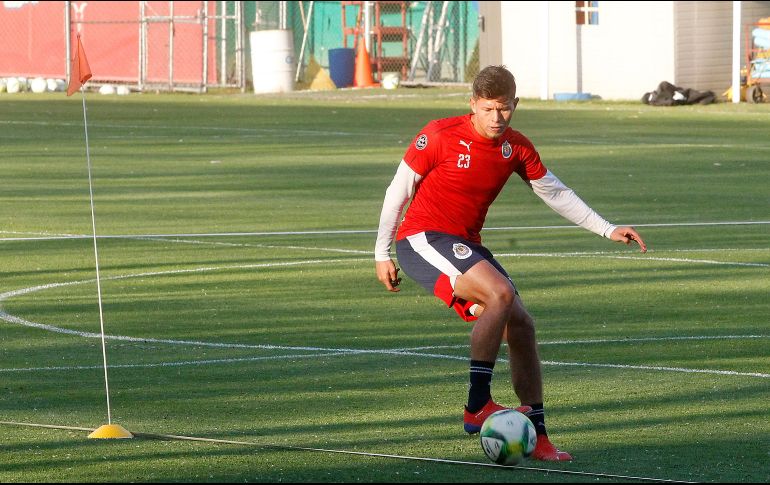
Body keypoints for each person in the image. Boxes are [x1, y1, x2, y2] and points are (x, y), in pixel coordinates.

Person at [374, 65, 647, 462]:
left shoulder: (516, 147)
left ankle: (538, 433)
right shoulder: (438, 135)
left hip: (465, 244)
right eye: (488, 109)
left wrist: (606, 229)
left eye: (504, 109)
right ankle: (477, 404)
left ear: (515, 104)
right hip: (421, 240)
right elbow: (398, 190)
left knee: (522, 323)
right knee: (500, 294)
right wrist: (381, 252)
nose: (496, 118)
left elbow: (554, 192)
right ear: (472, 105)